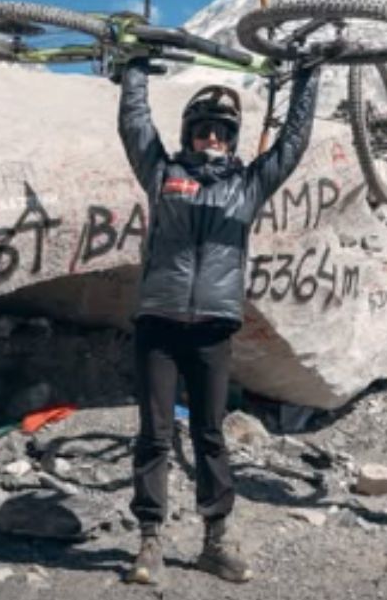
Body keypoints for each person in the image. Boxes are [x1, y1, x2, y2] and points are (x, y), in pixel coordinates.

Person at [115, 55, 322, 584]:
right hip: (159, 325)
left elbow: (291, 146)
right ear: (189, 134)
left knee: (209, 433)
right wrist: (135, 72)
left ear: (232, 141)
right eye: (203, 131)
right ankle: (150, 541)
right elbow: (135, 128)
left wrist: (307, 78)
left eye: (222, 133)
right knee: (155, 434)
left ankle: (215, 541)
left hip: (212, 327)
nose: (212, 139)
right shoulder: (163, 173)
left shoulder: (248, 185)